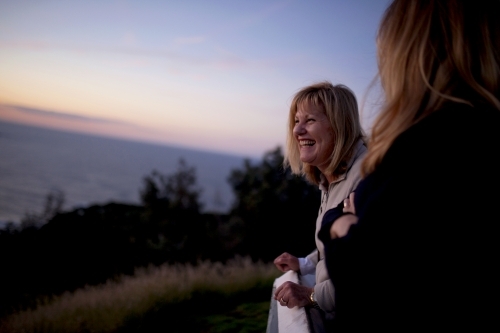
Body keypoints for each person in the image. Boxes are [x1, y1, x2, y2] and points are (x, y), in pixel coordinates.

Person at [318, 0, 500, 331]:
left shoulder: (425, 150)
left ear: (409, 54)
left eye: (309, 120)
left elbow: (371, 280)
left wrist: (340, 226)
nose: (298, 129)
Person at [272, 81, 367, 324]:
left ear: (339, 126)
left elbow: (371, 272)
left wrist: (312, 295)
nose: (297, 131)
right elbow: (339, 247)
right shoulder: (331, 178)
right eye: (296, 121)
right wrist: (305, 263)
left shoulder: (366, 179)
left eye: (310, 121)